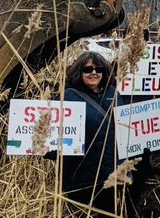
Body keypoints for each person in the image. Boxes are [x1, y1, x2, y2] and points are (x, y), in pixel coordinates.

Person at [59, 51, 120, 215]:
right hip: (81, 177)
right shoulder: (68, 97)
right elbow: (53, 136)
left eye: (98, 69)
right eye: (88, 69)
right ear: (79, 72)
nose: (94, 73)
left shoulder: (113, 93)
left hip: (112, 174)